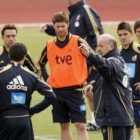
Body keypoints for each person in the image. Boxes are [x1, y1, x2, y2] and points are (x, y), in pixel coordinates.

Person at [41, 0, 104, 130]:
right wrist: (49, 29)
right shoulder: (72, 14)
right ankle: (95, 119)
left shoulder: (86, 9)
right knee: (88, 92)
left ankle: (100, 118)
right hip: (71, 68)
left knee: (91, 89)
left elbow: (96, 31)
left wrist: (97, 51)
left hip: (86, 57)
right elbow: (63, 34)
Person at [39, 12, 89, 140]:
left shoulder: (78, 41)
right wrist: (47, 80)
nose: (60, 29)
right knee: (64, 125)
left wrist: (88, 80)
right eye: (57, 26)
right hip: (57, 92)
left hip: (76, 91)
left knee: (81, 125)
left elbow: (92, 59)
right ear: (54, 27)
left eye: (63, 26)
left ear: (68, 25)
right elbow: (41, 63)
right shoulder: (49, 44)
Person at [79, 34, 134, 140]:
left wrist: (90, 55)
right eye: (97, 46)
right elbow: (110, 79)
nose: (98, 49)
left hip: (113, 118)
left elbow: (105, 66)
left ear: (112, 46)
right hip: (122, 117)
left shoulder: (113, 61)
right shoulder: (119, 61)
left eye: (101, 46)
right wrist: (93, 84)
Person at [0, 42, 56, 140]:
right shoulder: (31, 75)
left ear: (9, 55)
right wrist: (32, 111)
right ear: (25, 57)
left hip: (5, 120)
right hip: (24, 120)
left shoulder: (1, 72)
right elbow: (51, 95)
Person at [117, 22, 140, 140]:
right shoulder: (117, 52)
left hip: (138, 99)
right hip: (124, 99)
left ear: (131, 34)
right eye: (120, 35)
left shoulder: (138, 50)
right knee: (127, 134)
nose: (123, 37)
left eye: (125, 34)